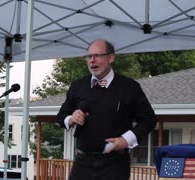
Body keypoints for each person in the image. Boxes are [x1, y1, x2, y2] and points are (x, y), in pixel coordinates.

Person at [57, 39, 157, 180]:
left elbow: (149, 120)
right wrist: (71, 119)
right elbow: (61, 116)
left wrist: (125, 140)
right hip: (82, 162)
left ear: (110, 58)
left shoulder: (129, 87)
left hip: (115, 164)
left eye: (97, 55)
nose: (92, 60)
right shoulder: (78, 86)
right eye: (89, 56)